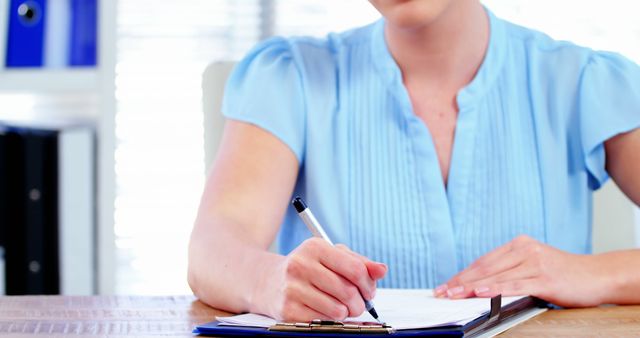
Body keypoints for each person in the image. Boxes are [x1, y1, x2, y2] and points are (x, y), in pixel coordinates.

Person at [188, 0, 640, 322]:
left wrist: (590, 273)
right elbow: (212, 250)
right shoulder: (290, 77)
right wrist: (272, 280)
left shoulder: (584, 81)